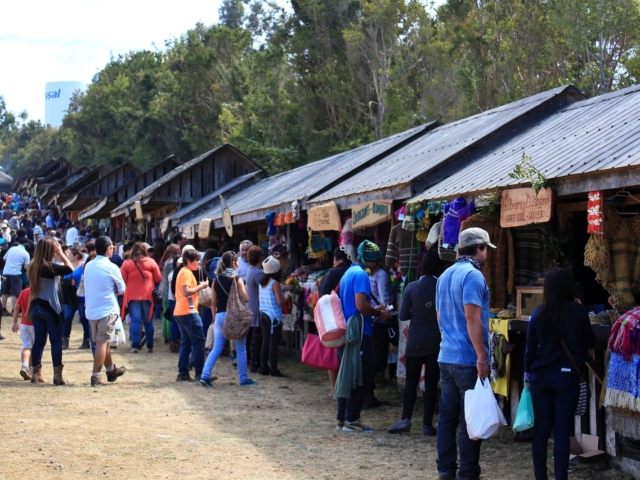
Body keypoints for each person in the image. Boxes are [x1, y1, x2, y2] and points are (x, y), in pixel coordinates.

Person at [524, 268, 596, 480]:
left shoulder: (538, 313)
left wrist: (529, 376)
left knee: (542, 431)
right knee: (563, 431)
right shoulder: (578, 312)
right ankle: (561, 476)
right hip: (566, 378)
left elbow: (530, 351)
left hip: (540, 379)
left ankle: (540, 476)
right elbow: (590, 341)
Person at [435, 227, 494, 480]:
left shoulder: (446, 274)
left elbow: (439, 318)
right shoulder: (473, 276)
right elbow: (472, 318)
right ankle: (467, 473)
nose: (487, 255)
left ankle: (446, 471)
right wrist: (481, 357)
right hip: (467, 359)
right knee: (470, 418)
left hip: (446, 355)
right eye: (486, 250)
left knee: (448, 417)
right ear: (479, 249)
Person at [335, 240, 391, 432]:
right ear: (369, 260)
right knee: (363, 376)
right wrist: (378, 313)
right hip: (358, 332)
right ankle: (351, 419)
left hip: (349, 330)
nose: (377, 265)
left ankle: (342, 419)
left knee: (347, 374)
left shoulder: (349, 272)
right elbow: (360, 306)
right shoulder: (361, 275)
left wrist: (372, 309)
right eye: (376, 261)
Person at [388, 248, 445, 436]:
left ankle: (405, 418)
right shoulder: (442, 286)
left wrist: (418, 314)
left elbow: (403, 314)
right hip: (435, 340)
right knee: (431, 382)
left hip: (415, 340)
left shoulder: (412, 287)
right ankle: (427, 424)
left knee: (411, 381)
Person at [200, 251, 256, 387]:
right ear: (234, 263)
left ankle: (205, 375)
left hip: (219, 316)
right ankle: (243, 379)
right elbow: (246, 298)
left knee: (217, 348)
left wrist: (214, 318)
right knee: (240, 348)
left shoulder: (216, 279)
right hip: (234, 316)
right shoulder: (237, 279)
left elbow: (213, 303)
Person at [26, 237, 74, 384]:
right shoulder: (49, 267)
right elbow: (70, 269)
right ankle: (57, 376)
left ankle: (36, 373)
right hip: (51, 309)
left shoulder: (33, 265)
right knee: (56, 342)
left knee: (38, 342)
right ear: (50, 250)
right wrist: (62, 254)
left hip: (36, 307)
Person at [83, 236, 127, 386]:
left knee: (104, 341)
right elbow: (122, 289)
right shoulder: (112, 267)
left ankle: (110, 371)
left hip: (91, 309)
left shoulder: (88, 265)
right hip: (107, 309)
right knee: (102, 343)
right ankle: (96, 376)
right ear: (109, 249)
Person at [317, 247, 351, 395]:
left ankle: (334, 388)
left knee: (334, 352)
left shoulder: (331, 273)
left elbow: (323, 296)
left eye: (334, 259)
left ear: (340, 259)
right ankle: (348, 386)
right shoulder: (354, 272)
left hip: (334, 318)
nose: (332, 262)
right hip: (352, 316)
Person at [173, 248, 208, 381]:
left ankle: (183, 373)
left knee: (186, 343)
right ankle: (200, 374)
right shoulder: (187, 273)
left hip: (181, 311)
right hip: (189, 311)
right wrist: (202, 286)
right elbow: (186, 291)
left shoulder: (183, 271)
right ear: (188, 260)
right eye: (196, 260)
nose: (199, 263)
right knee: (199, 342)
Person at [120, 242, 162, 353]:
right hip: (148, 296)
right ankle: (150, 346)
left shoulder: (127, 264)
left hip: (132, 296)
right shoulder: (151, 262)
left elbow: (123, 279)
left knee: (135, 321)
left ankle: (135, 346)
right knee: (148, 322)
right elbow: (158, 278)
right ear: (145, 250)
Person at [258, 255, 287, 377]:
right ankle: (274, 369)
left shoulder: (262, 283)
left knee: (265, 341)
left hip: (263, 313)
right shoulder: (274, 283)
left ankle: (263, 367)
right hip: (273, 316)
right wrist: (288, 297)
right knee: (273, 343)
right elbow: (280, 302)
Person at [1, 241, 30, 337]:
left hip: (6, 272)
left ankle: (3, 309)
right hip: (16, 274)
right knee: (15, 293)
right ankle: (14, 310)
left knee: (4, 292)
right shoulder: (25, 253)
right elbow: (26, 267)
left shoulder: (12, 248)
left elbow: (4, 259)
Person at [61, 247, 85, 349]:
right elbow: (62, 279)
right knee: (67, 318)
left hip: (81, 296)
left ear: (76, 256)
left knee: (84, 318)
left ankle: (86, 339)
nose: (68, 256)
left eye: (70, 254)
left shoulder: (84, 266)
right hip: (70, 296)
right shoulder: (67, 266)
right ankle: (65, 340)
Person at [246, 246, 264, 373]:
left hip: (250, 305)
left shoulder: (250, 270)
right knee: (257, 337)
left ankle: (253, 362)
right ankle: (255, 362)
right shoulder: (258, 273)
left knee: (253, 336)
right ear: (261, 257)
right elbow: (266, 286)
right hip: (256, 306)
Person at [159, 244, 181, 348]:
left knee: (165, 313)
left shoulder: (164, 261)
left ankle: (165, 335)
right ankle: (169, 336)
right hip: (169, 289)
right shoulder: (172, 262)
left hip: (162, 288)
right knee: (170, 315)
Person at [12, 287, 33, 380]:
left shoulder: (24, 291)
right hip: (36, 324)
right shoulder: (40, 291)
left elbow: (17, 307)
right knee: (36, 347)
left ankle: (25, 366)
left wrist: (15, 322)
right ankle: (32, 369)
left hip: (24, 324)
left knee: (26, 347)